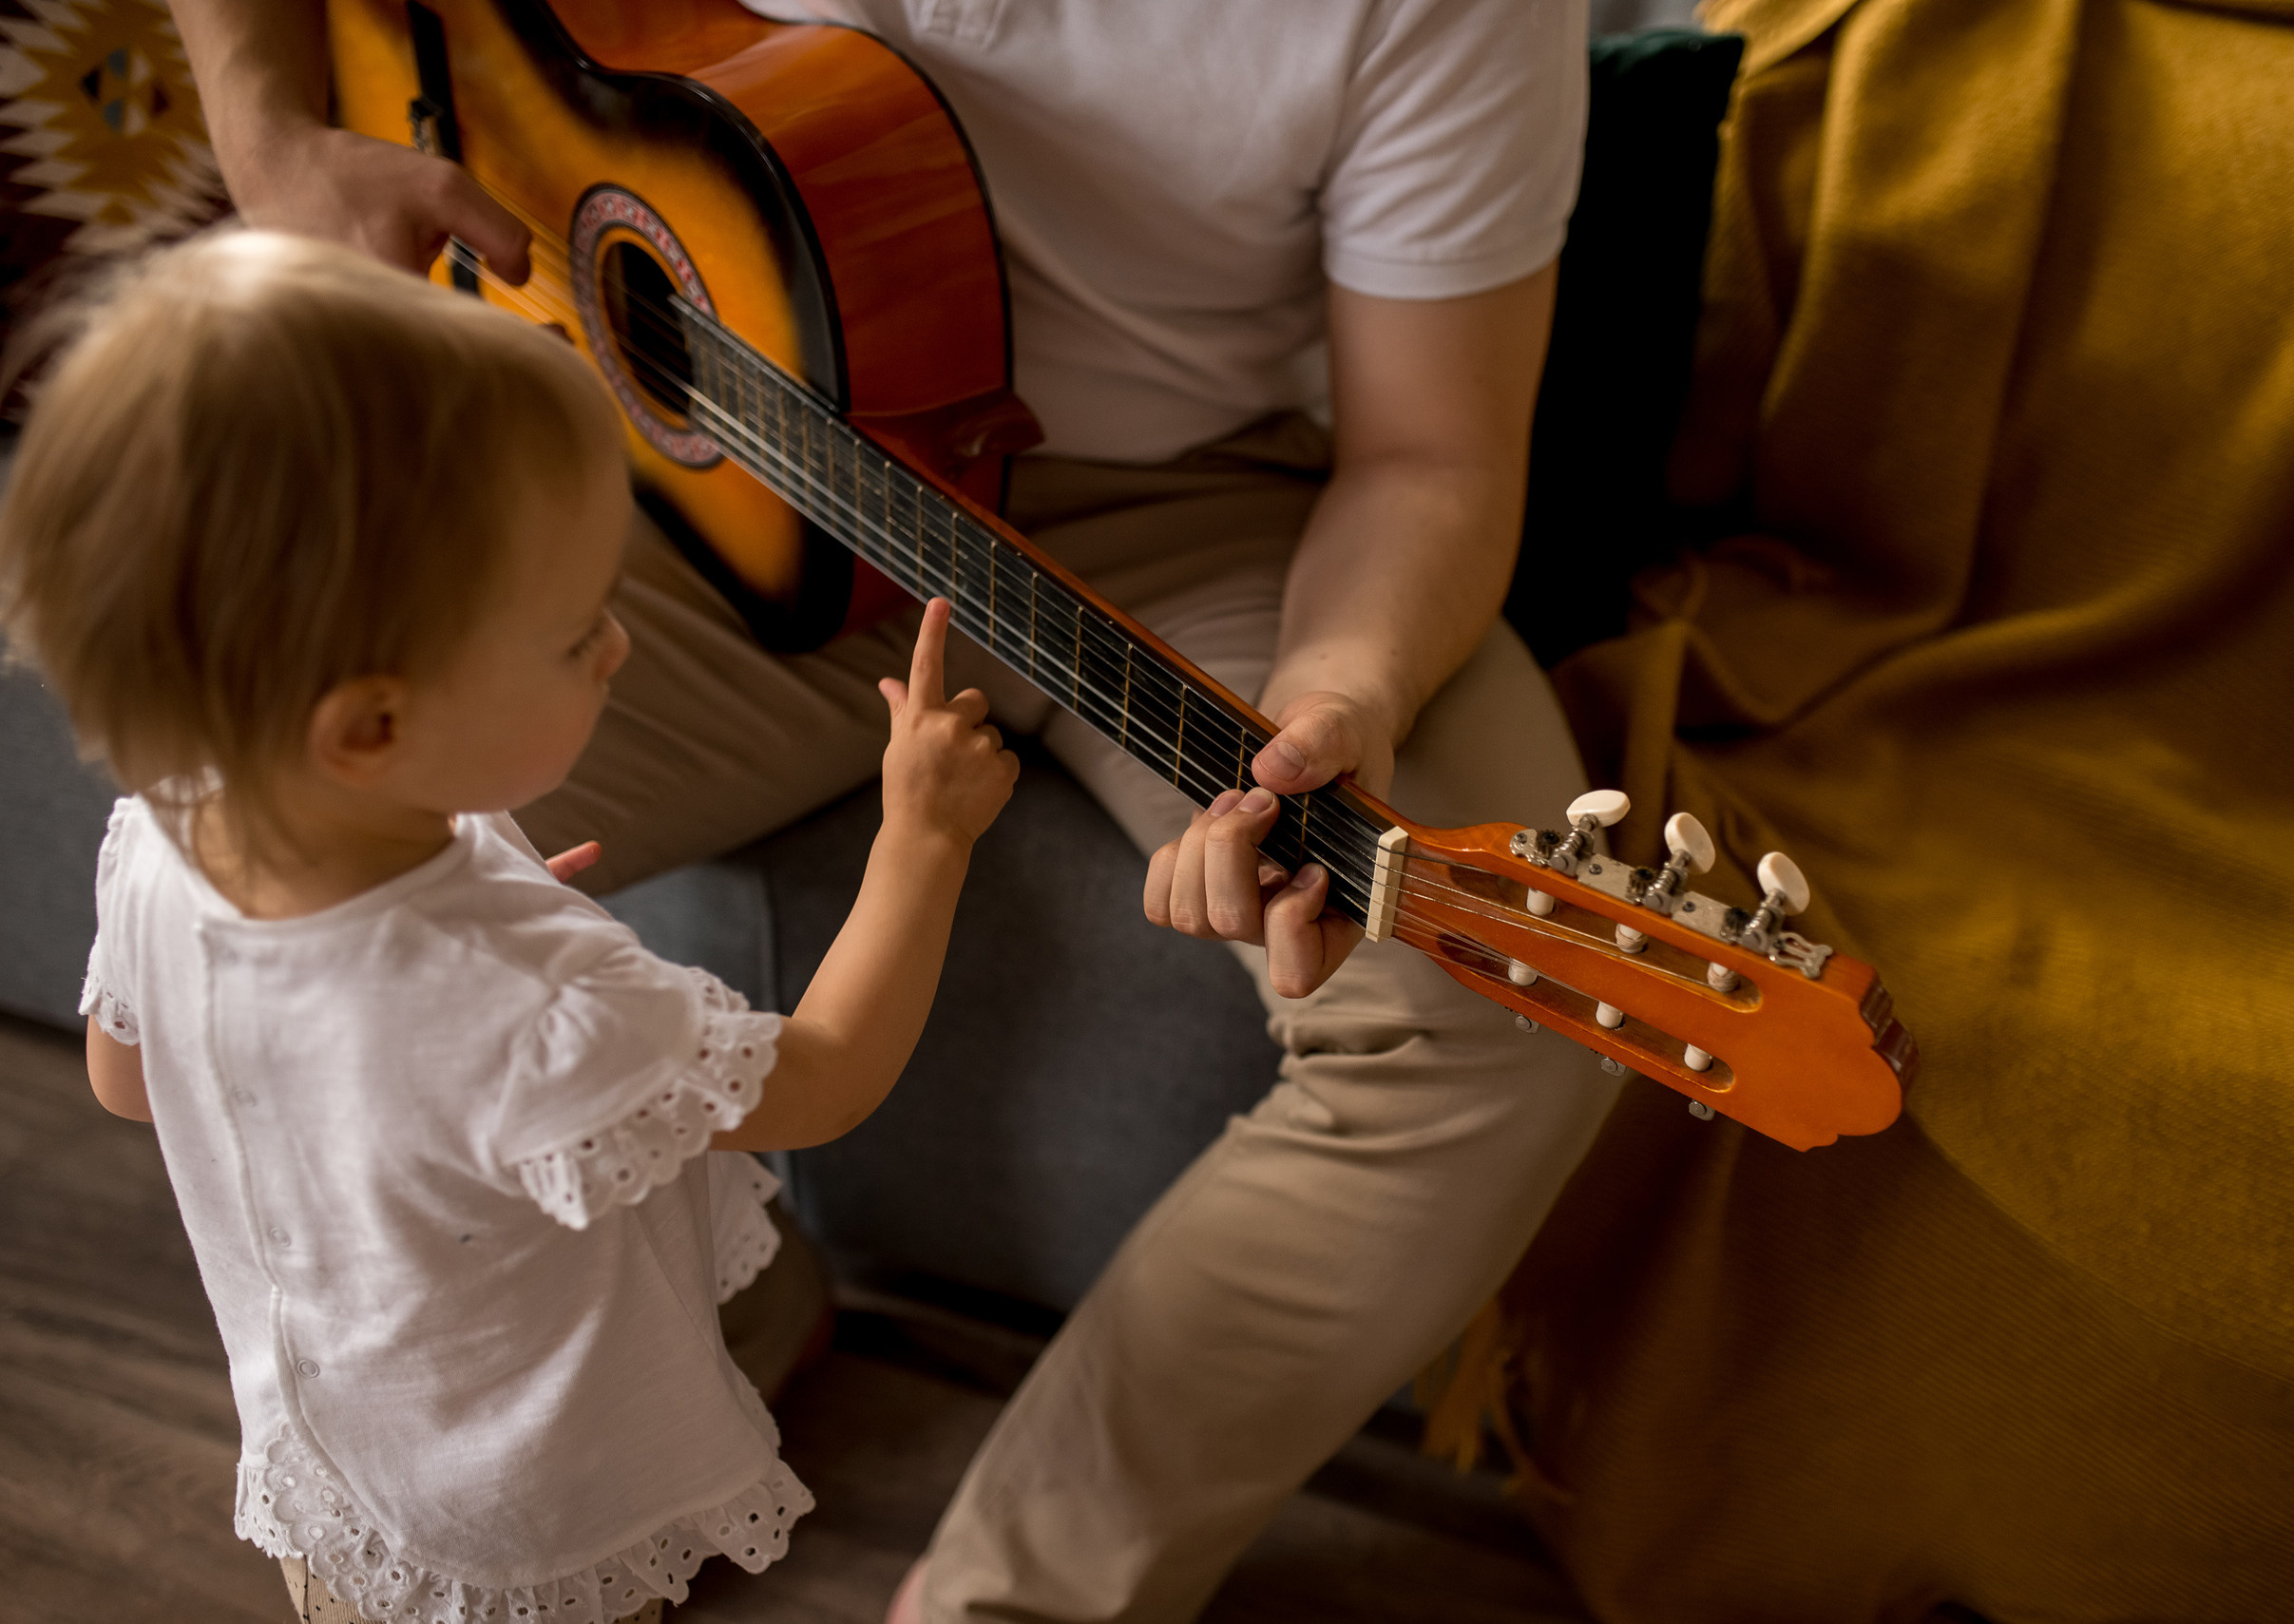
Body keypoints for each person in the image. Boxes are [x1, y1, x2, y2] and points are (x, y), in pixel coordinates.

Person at [165, 2, 1620, 1618]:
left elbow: (1431, 453)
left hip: (1205, 507)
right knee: (264, 846)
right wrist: (271, 139)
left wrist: (1343, 695)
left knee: (1508, 996)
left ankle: (1012, 1594)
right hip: (694, 465)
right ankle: (685, 1314)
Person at [0, 231, 1018, 1623]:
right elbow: (823, 1079)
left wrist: (470, 995)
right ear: (371, 725)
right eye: (571, 631)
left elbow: (132, 1079)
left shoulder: (162, 830)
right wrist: (924, 837)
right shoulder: (531, 996)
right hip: (527, 1529)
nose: (618, 645)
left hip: (341, 1479)